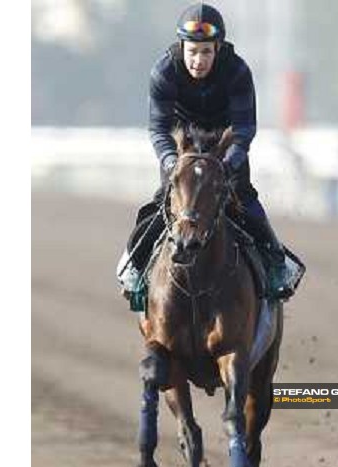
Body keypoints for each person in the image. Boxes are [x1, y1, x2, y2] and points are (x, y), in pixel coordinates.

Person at [118, 2, 297, 309]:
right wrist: (172, 163)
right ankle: (134, 265)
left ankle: (276, 263)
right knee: (164, 200)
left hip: (224, 148)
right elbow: (158, 129)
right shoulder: (163, 70)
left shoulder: (238, 71)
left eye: (205, 52)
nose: (198, 60)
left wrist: (227, 167)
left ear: (217, 48)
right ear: (182, 47)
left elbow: (243, 131)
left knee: (244, 198)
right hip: (181, 148)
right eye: (192, 51)